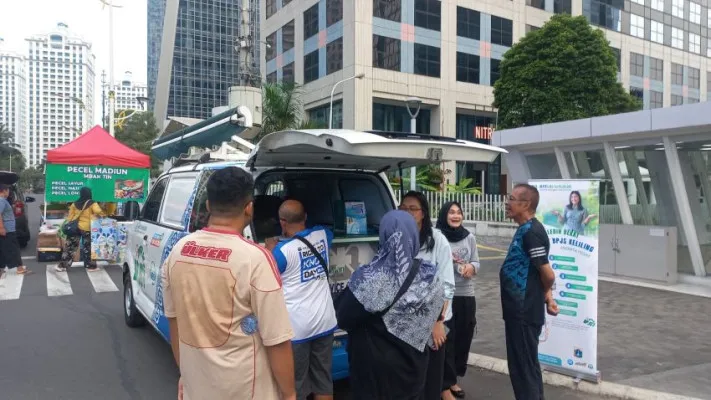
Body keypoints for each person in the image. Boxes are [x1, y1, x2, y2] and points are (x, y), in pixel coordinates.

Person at [162, 167, 297, 400]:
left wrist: (185, 374)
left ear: (207, 206)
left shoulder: (177, 252)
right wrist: (290, 394)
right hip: (246, 390)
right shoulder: (255, 259)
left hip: (197, 388)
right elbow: (277, 340)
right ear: (249, 208)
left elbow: (175, 324)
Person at [334, 210, 445, 400]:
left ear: (384, 237)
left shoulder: (371, 278)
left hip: (375, 373)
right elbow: (436, 313)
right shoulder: (431, 275)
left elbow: (342, 316)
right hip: (414, 368)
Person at [265, 199, 337, 400]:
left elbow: (266, 275)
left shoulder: (281, 252)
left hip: (298, 329)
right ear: (305, 217)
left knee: (296, 385)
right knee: (323, 381)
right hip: (325, 322)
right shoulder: (323, 235)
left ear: (282, 222)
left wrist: (270, 248)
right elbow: (324, 228)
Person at [502, 184, 559, 400]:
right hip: (518, 311)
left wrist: (547, 294)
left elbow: (548, 274)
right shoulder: (525, 229)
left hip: (524, 311)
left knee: (523, 368)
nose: (508, 202)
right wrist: (548, 296)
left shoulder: (531, 233)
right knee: (524, 366)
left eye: (512, 198)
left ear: (525, 204)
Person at [399, 191, 455, 400]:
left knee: (430, 381)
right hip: (405, 322)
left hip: (433, 323)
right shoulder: (398, 237)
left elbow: (447, 285)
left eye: (413, 209)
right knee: (410, 383)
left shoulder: (437, 240)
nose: (408, 212)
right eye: (403, 208)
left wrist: (437, 320)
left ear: (423, 213)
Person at [435, 201, 480, 399]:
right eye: (451, 212)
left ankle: (455, 376)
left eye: (459, 212)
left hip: (466, 294)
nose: (455, 215)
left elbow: (476, 261)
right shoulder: (437, 237)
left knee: (464, 337)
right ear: (444, 215)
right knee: (447, 340)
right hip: (445, 296)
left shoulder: (469, 237)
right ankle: (447, 381)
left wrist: (472, 267)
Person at [57, 187, 104, 272]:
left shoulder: (74, 204)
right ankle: (90, 266)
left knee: (70, 247)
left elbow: (70, 218)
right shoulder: (92, 203)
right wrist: (100, 215)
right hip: (87, 228)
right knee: (88, 247)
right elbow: (98, 211)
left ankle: (62, 266)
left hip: (74, 228)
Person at [0, 184, 30, 276]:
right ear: (4, 191)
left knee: (3, 250)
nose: (8, 192)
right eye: (8, 190)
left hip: (7, 229)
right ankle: (20, 268)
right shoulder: (1, 201)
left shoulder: (3, 201)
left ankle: (1, 269)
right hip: (7, 230)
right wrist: (1, 228)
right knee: (14, 249)